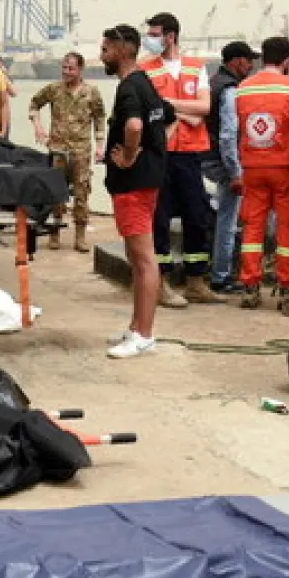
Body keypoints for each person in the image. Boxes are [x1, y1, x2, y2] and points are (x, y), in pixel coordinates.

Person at [100, 24, 173, 359]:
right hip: (147, 181)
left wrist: (129, 156)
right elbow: (169, 118)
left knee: (143, 260)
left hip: (133, 186)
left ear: (123, 49)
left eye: (106, 48)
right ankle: (136, 326)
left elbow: (134, 126)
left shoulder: (130, 88)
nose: (102, 54)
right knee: (136, 257)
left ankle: (143, 334)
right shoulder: (146, 84)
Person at [142, 12, 220, 307]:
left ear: (170, 36)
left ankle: (195, 282)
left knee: (196, 215)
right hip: (159, 153)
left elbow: (205, 107)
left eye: (154, 34)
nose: (150, 40)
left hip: (189, 154)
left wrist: (171, 106)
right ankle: (160, 282)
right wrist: (189, 113)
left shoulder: (195, 68)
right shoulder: (145, 69)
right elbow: (151, 109)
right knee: (159, 218)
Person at [234, 36, 289, 311]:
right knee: (287, 226)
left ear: (261, 58)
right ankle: (288, 286)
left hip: (252, 166)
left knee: (252, 226)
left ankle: (249, 286)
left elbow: (236, 128)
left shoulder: (243, 88)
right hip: (284, 166)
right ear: (287, 62)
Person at [28, 52, 106, 252]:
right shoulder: (54, 89)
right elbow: (34, 104)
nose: (66, 72)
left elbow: (99, 118)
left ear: (80, 69)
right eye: (64, 67)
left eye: (71, 68)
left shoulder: (91, 92)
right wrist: (38, 127)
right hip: (58, 150)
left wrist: (100, 145)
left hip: (81, 151)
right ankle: (54, 233)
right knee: (56, 192)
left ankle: (80, 236)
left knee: (82, 192)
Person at [205, 41, 256, 294]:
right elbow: (228, 134)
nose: (251, 65)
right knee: (228, 219)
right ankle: (221, 276)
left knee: (220, 217)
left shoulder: (213, 82)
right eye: (248, 61)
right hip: (222, 162)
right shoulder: (229, 89)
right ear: (236, 61)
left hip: (203, 157)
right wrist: (235, 171)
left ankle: (215, 270)